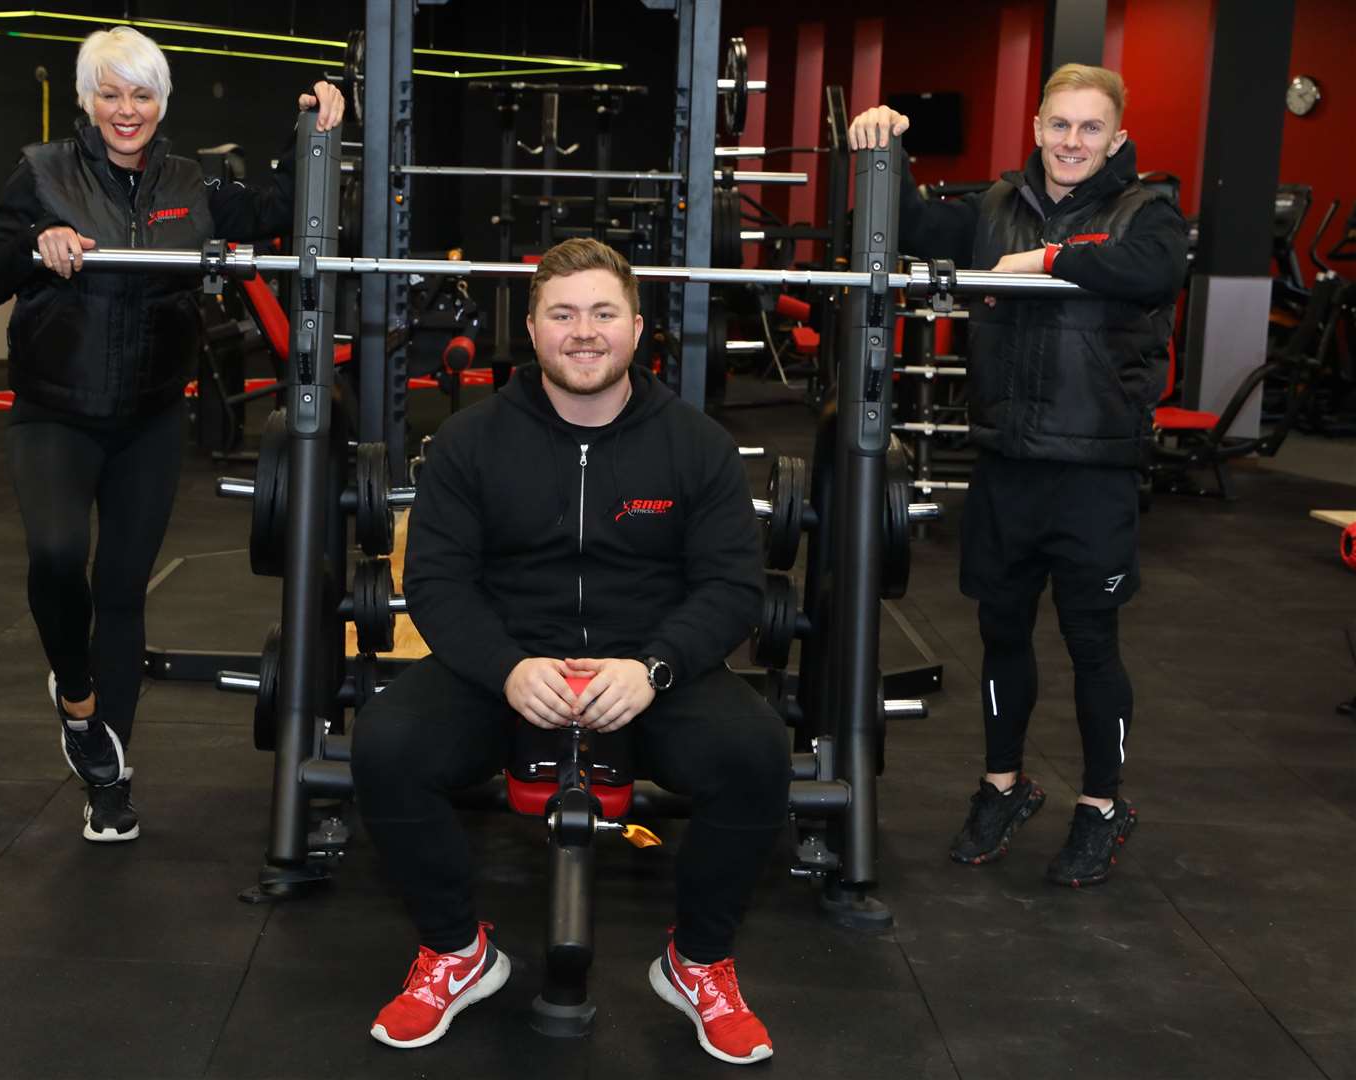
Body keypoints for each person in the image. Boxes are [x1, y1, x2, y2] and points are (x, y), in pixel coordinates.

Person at [350, 238, 791, 1063]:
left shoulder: (696, 445)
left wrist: (654, 667)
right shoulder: (470, 441)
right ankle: (455, 951)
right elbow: (439, 583)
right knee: (385, 743)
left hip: (647, 673)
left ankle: (697, 961)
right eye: (562, 314)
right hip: (509, 672)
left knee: (759, 752)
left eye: (601, 313)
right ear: (530, 328)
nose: (582, 333)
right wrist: (508, 668)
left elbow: (732, 587)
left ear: (636, 326)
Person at [0, 27, 344, 843]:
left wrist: (312, 129)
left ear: (162, 102)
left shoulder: (191, 183)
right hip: (55, 413)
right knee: (60, 558)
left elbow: (278, 211)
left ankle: (109, 779)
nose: (125, 109)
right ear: (87, 101)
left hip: (150, 417)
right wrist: (36, 246)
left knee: (125, 592)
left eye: (140, 94)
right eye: (110, 93)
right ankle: (75, 698)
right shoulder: (42, 173)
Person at [849, 64, 1187, 886]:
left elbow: (1145, 271)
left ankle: (1103, 804)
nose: (1072, 143)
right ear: (1036, 127)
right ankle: (1003, 786)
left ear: (1116, 137)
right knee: (1001, 633)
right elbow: (914, 227)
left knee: (1090, 642)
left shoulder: (1150, 210)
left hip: (1093, 471)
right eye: (1059, 125)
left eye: (1089, 129)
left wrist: (1039, 258)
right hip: (1006, 461)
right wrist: (880, 150)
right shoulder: (993, 206)